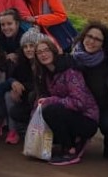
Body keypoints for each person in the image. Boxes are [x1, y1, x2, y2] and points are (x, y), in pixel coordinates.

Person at [32, 37, 99, 166]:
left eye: (46, 50)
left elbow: (79, 102)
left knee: (51, 110)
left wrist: (51, 100)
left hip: (87, 118)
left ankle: (70, 149)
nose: (43, 54)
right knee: (42, 110)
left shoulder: (70, 71)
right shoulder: (45, 74)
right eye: (39, 52)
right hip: (68, 114)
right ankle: (70, 140)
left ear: (53, 51)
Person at [70, 21, 108, 159]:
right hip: (81, 106)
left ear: (103, 43)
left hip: (103, 105)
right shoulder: (72, 56)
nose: (91, 41)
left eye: (97, 39)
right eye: (89, 36)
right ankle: (73, 141)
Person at [4, 30, 46, 145]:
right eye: (25, 46)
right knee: (8, 96)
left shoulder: (45, 62)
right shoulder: (22, 63)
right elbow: (10, 77)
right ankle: (13, 131)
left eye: (32, 46)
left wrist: (23, 86)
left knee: (34, 95)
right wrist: (14, 83)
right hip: (26, 100)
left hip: (43, 100)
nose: (28, 49)